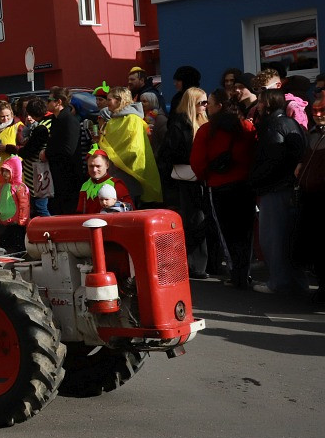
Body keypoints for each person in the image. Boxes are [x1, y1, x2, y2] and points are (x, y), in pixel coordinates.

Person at [191, 89, 258, 289]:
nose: (207, 107)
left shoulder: (206, 130)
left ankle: (236, 274)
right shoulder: (246, 127)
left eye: (209, 103)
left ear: (218, 106)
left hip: (219, 186)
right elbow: (254, 153)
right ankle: (244, 273)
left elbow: (197, 162)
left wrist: (206, 176)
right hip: (245, 186)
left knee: (227, 233)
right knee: (245, 232)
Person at [248, 89, 307, 295]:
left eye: (261, 102)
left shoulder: (274, 125)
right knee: (288, 238)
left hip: (275, 188)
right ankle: (295, 282)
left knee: (273, 238)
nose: (258, 106)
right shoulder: (289, 123)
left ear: (267, 104)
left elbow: (272, 160)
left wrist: (255, 179)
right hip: (287, 187)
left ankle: (279, 282)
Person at [156, 87, 210, 278]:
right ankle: (196, 266)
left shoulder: (204, 121)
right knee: (194, 220)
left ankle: (205, 264)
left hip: (202, 178)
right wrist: (191, 158)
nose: (205, 106)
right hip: (187, 180)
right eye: (201, 103)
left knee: (202, 220)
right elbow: (167, 154)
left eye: (207, 102)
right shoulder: (179, 125)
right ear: (191, 104)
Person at [98, 87, 163, 205]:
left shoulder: (133, 119)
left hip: (129, 172)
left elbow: (134, 148)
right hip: (114, 170)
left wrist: (116, 161)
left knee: (129, 203)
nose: (106, 103)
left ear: (119, 100)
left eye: (109, 99)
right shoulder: (112, 120)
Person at [295, 96, 325, 304]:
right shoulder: (314, 134)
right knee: (315, 246)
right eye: (315, 111)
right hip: (310, 197)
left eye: (322, 110)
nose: (318, 115)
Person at [44, 87, 84, 215]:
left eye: (49, 100)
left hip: (69, 176)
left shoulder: (69, 120)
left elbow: (68, 149)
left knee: (69, 211)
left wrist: (47, 153)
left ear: (58, 102)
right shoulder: (56, 120)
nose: (47, 102)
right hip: (58, 174)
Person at [18, 98, 53, 218]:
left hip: (39, 174)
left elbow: (28, 151)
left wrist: (17, 149)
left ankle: (50, 229)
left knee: (40, 207)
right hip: (37, 173)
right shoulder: (50, 121)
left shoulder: (41, 128)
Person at [77, 148, 133, 213]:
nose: (94, 170)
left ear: (107, 165)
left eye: (98, 166)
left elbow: (129, 210)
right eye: (91, 166)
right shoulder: (85, 186)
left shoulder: (116, 184)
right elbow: (80, 213)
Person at [0, 155, 29, 253]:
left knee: (17, 242)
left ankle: (20, 256)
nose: (5, 174)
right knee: (7, 242)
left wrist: (23, 220)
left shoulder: (19, 187)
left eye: (8, 171)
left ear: (15, 171)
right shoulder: (4, 186)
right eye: (3, 171)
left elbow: (24, 204)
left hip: (17, 223)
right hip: (6, 222)